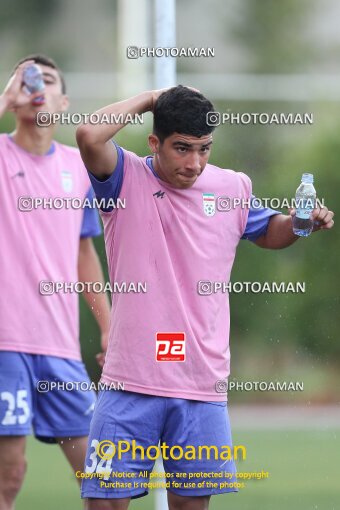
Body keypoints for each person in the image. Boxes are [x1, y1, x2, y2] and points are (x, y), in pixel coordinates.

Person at [76, 85, 334, 510]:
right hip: (130, 379)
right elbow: (88, 134)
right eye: (182, 149)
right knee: (104, 504)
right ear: (154, 142)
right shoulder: (123, 178)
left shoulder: (231, 187)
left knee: (192, 506)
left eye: (204, 149)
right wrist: (150, 98)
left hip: (200, 382)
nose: (194, 162)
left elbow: (272, 231)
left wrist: (302, 223)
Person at [0, 54, 111, 510]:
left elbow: (85, 253)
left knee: (103, 479)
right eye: (25, 79)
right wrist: (5, 97)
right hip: (5, 343)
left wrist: (109, 326)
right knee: (10, 473)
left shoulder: (78, 169)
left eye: (46, 80)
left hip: (60, 348)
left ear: (63, 102)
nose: (35, 86)